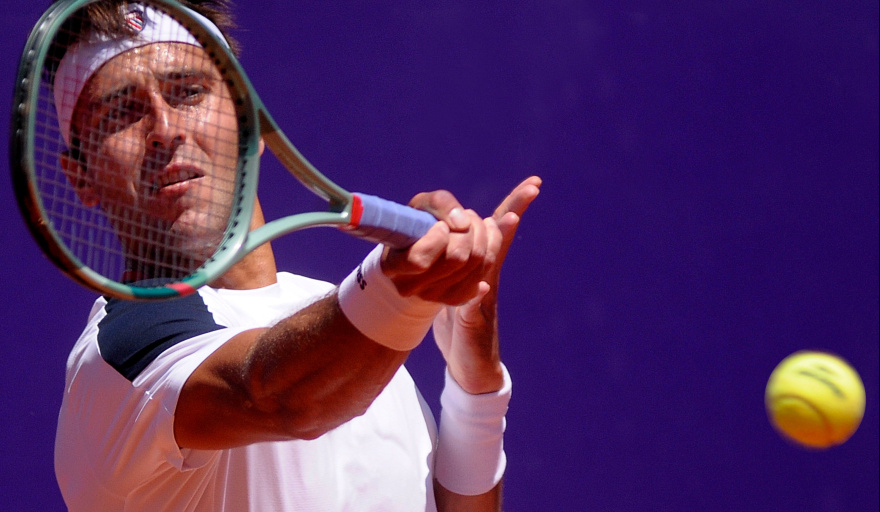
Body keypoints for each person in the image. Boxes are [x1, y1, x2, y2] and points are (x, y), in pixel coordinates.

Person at [48, 1, 541, 510]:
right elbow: (276, 396)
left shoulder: (350, 330)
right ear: (80, 176)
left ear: (250, 124)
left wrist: (475, 394)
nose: (165, 129)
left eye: (189, 92)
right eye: (122, 112)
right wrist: (403, 288)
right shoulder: (119, 354)